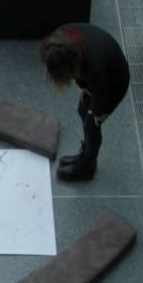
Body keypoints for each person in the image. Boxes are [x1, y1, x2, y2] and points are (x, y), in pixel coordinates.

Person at [38, 23, 131, 182]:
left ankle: (88, 165)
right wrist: (82, 86)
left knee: (91, 124)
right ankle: (85, 153)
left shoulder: (93, 65)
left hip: (114, 82)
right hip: (97, 74)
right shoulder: (62, 42)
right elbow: (77, 70)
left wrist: (97, 113)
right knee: (82, 110)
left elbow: (101, 90)